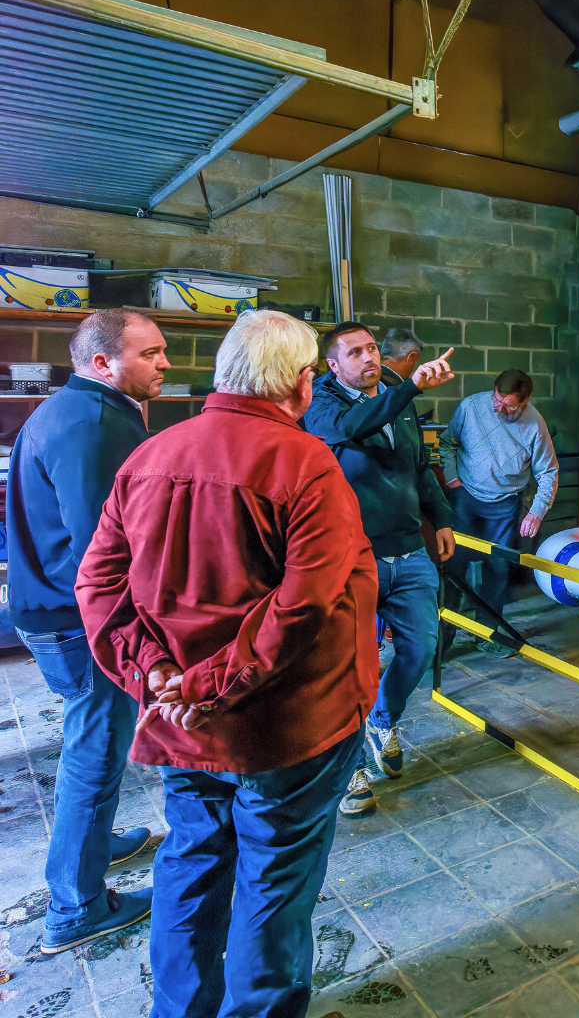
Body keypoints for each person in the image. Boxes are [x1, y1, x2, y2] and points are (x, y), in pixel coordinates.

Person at [75, 310, 379, 1018]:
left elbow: (97, 583)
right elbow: (305, 604)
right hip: (286, 726)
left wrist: (152, 672)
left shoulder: (149, 455)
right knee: (273, 883)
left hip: (183, 722)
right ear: (302, 384)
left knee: (191, 862)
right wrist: (211, 685)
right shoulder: (305, 462)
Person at [6, 307, 169, 954]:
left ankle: (97, 844)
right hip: (77, 622)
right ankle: (75, 907)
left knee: (96, 743)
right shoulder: (93, 424)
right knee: (95, 754)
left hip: (50, 608)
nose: (164, 364)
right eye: (150, 354)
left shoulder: (69, 410)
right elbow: (102, 552)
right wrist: (143, 636)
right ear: (103, 363)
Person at [302, 322, 456, 817]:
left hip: (408, 549)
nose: (369, 358)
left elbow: (416, 466)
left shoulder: (396, 397)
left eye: (372, 348)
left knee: (422, 648)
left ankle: (382, 720)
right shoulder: (321, 403)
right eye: (355, 352)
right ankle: (349, 771)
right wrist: (411, 386)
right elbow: (351, 428)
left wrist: (442, 521)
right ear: (334, 364)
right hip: (353, 555)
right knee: (351, 665)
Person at [440, 368, 559, 629]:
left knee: (498, 570)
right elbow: (447, 443)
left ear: (524, 402)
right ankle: (443, 637)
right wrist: (452, 478)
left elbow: (548, 471)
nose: (499, 409)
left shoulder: (534, 425)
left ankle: (488, 633)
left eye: (508, 406)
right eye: (497, 400)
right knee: (453, 565)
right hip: (466, 497)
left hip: (505, 504)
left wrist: (537, 511)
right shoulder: (471, 407)